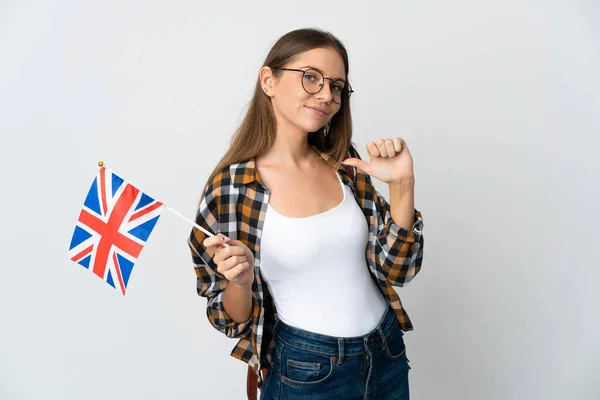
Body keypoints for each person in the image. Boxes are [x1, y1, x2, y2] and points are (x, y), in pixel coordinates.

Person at [188, 28, 424, 400]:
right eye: (311, 78)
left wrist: (402, 185)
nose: (327, 95)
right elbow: (231, 318)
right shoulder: (232, 188)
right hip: (307, 371)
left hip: (386, 352)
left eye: (336, 86)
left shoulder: (343, 162)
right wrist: (240, 279)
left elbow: (400, 268)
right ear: (269, 80)